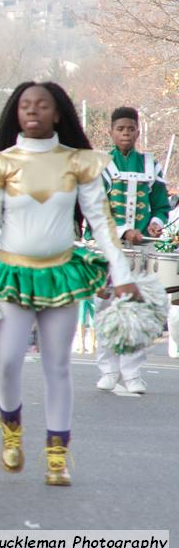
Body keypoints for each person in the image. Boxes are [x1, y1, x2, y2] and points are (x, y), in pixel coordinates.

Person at [0, 81, 138, 486]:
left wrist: (123, 276)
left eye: (42, 105)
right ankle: (11, 429)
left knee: (58, 365)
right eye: (25, 105)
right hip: (12, 275)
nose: (32, 111)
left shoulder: (79, 162)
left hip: (61, 273)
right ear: (16, 113)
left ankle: (57, 456)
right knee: (6, 361)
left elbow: (101, 222)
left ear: (58, 114)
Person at [92, 106, 168, 394]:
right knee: (106, 307)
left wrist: (155, 224)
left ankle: (132, 373)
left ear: (138, 131)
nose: (126, 134)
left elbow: (160, 203)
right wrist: (124, 230)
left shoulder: (151, 163)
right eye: (120, 129)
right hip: (107, 247)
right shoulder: (101, 164)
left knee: (138, 308)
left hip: (142, 251)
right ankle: (108, 369)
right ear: (111, 132)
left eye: (131, 129)